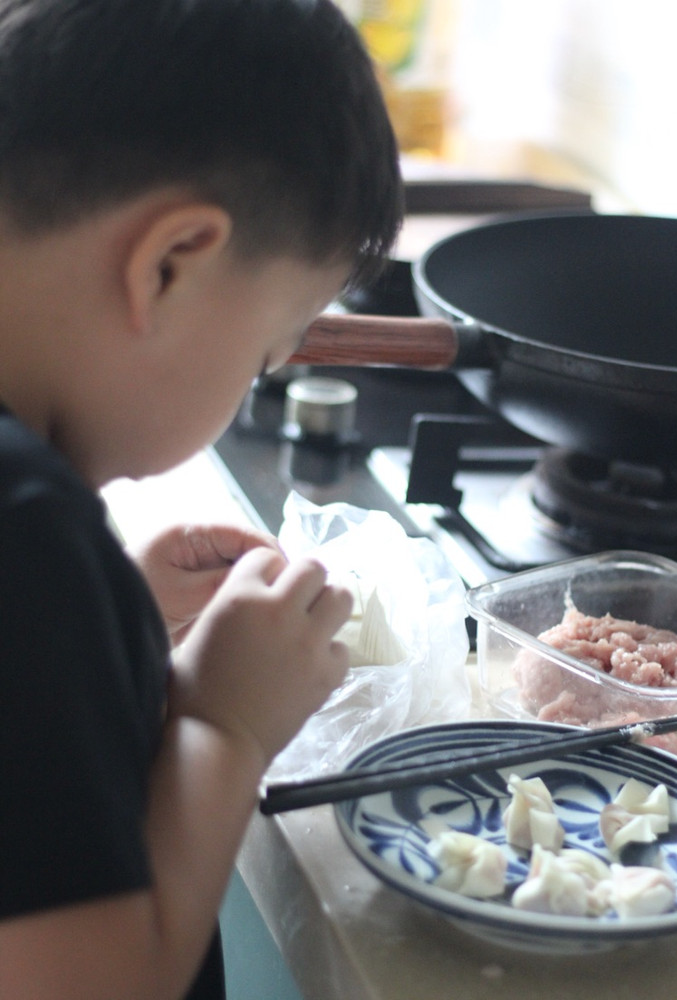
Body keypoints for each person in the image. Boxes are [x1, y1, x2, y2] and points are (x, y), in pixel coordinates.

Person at [0, 0, 403, 997]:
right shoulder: (25, 532)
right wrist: (223, 723)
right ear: (170, 262)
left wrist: (108, 624)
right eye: (266, 360)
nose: (250, 391)